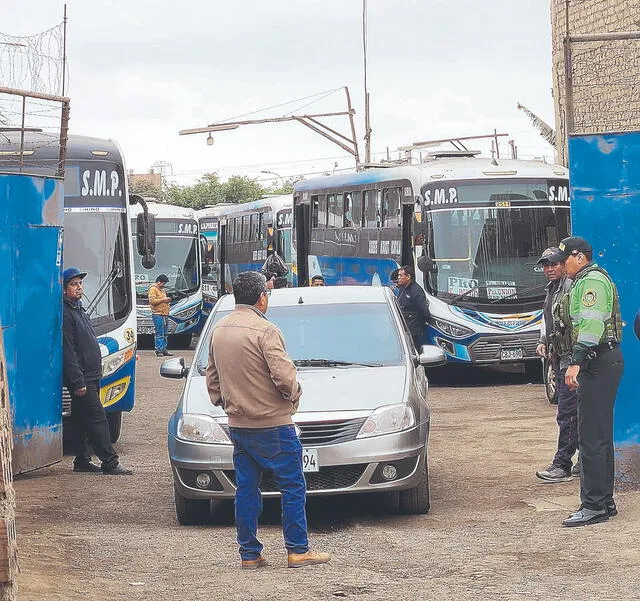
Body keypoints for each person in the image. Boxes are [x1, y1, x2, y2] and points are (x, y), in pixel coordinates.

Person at [206, 271, 330, 569]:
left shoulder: (219, 330)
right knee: (292, 486)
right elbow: (285, 378)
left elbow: (213, 380)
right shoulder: (266, 331)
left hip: (238, 424)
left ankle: (249, 553)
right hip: (274, 424)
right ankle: (298, 549)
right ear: (262, 297)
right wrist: (295, 394)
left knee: (246, 489)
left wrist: (228, 403)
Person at [547, 237, 624, 527]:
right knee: (599, 436)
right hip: (603, 361)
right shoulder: (587, 280)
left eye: (564, 259)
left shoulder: (590, 282)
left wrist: (576, 362)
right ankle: (604, 502)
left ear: (579, 257)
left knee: (591, 437)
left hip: (595, 362)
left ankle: (593, 505)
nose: (560, 264)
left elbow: (591, 325)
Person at [62, 268, 133, 475]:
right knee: (98, 417)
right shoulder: (66, 314)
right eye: (74, 284)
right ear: (64, 289)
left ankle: (81, 460)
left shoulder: (78, 309)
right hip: (82, 377)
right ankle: (110, 462)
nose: (79, 288)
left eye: (80, 284)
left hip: (92, 374)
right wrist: (78, 381)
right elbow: (68, 350)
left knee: (80, 419)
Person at [534, 247, 579, 483]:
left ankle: (563, 464)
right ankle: (582, 460)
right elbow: (549, 318)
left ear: (564, 264)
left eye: (554, 264)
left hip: (572, 360)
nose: (549, 269)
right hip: (559, 357)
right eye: (545, 265)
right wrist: (543, 340)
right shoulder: (552, 289)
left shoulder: (571, 287)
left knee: (568, 413)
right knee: (575, 412)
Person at [396, 265, 430, 350]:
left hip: (413, 331)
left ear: (408, 277)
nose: (398, 277)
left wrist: (416, 323)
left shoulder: (416, 291)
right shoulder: (402, 288)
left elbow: (425, 312)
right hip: (403, 327)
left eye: (401, 275)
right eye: (398, 275)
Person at [148, 274, 173, 357]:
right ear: (158, 282)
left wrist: (167, 301)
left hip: (165, 314)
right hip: (158, 314)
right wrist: (164, 300)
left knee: (165, 333)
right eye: (163, 283)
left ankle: (164, 349)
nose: (164, 285)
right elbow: (152, 301)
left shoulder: (162, 290)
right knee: (159, 333)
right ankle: (158, 350)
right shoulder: (153, 289)